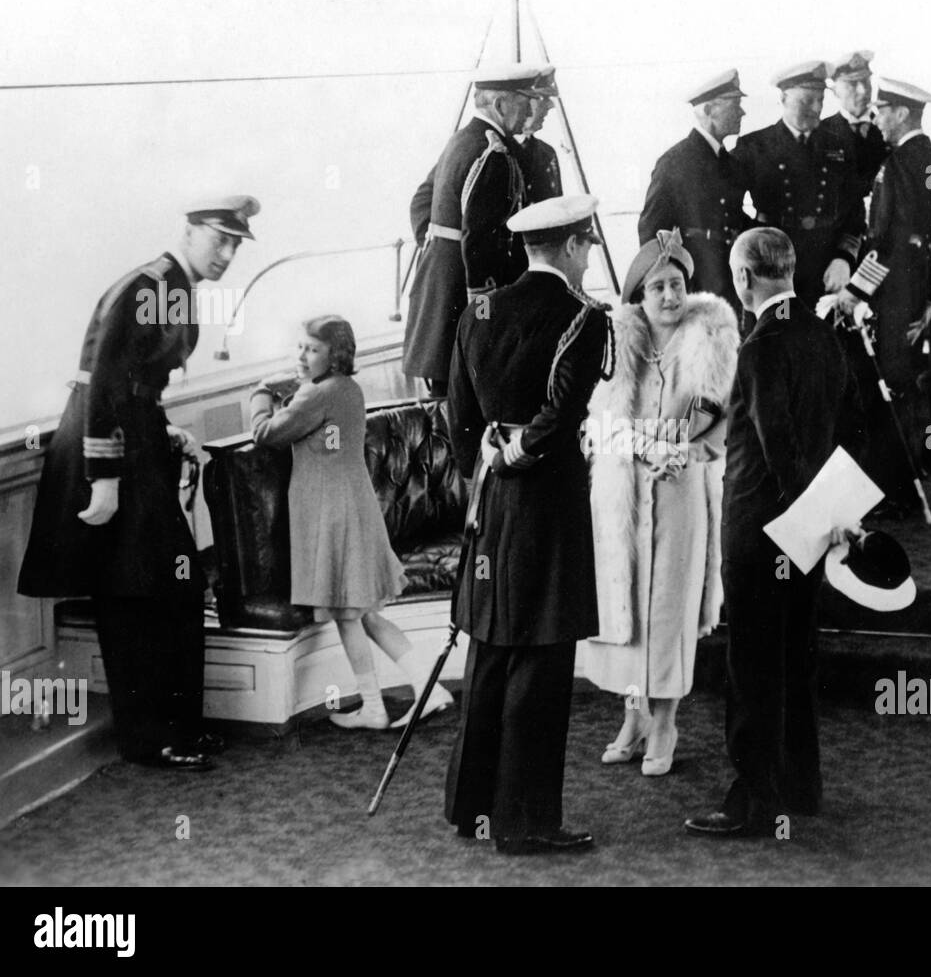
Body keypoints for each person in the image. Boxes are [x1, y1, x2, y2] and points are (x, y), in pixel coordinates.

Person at [17, 196, 261, 771]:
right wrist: (104, 480)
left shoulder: (175, 284)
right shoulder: (149, 285)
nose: (226, 253)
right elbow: (102, 386)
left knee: (166, 587)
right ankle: (151, 738)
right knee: (136, 594)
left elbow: (135, 384)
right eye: (218, 239)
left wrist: (164, 428)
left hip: (136, 437)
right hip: (107, 451)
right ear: (190, 230)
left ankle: (172, 728)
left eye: (235, 244)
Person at [444, 194, 614, 854]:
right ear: (571, 247)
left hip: (491, 498)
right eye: (588, 246)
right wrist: (520, 451)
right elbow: (564, 410)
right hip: (546, 498)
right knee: (541, 659)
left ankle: (472, 806)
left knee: (490, 645)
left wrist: (485, 456)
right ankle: (526, 820)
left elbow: (457, 411)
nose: (589, 257)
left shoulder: (476, 310)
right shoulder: (582, 317)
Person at [685, 227, 846, 837]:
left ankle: (754, 800)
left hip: (759, 532)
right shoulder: (825, 337)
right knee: (796, 660)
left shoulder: (759, 346)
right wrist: (828, 515)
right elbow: (846, 430)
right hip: (809, 531)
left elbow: (776, 448)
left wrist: (798, 507)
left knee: (752, 666)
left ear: (744, 279)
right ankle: (801, 787)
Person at [583, 229, 739, 777]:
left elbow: (711, 421)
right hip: (624, 489)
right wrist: (629, 443)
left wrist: (671, 445)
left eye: (676, 285)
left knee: (669, 605)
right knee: (625, 603)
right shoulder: (617, 343)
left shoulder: (710, 341)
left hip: (678, 488)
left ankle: (666, 720)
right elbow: (598, 424)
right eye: (657, 288)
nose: (670, 297)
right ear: (639, 296)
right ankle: (634, 715)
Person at [249, 316, 454, 730]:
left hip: (333, 514)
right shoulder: (346, 388)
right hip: (354, 508)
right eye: (301, 348)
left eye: (313, 349)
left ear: (336, 354)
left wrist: (260, 394)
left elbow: (265, 433)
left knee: (349, 614)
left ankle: (377, 706)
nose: (303, 356)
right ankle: (427, 686)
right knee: (367, 613)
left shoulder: (317, 396)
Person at [831, 77, 931, 518]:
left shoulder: (898, 166)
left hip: (892, 292)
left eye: (882, 109)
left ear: (902, 114)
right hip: (919, 290)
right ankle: (911, 472)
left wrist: (853, 292)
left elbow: (888, 242)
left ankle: (892, 486)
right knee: (906, 384)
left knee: (888, 384)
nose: (876, 117)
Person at [402, 64, 541, 397]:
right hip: (463, 302)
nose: (529, 110)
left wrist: (438, 245)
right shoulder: (492, 153)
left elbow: (422, 200)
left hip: (439, 292)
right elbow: (480, 244)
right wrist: (485, 320)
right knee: (465, 405)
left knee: (448, 400)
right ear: (500, 105)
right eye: (524, 101)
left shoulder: (463, 140)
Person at [732, 60, 866, 308]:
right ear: (783, 98)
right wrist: (755, 247)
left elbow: (855, 212)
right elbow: (727, 207)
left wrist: (844, 259)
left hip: (826, 268)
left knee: (824, 339)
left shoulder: (839, 146)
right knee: (779, 334)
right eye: (806, 101)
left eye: (820, 100)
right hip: (773, 268)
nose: (816, 108)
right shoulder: (755, 147)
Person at [638, 68, 752, 314]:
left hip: (732, 277)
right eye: (735, 104)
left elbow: (731, 216)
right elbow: (651, 231)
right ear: (709, 110)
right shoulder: (674, 163)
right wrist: (665, 290)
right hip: (697, 281)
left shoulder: (731, 163)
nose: (742, 111)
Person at [821, 50, 889, 207]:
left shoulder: (891, 129)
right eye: (852, 84)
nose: (862, 91)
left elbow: (930, 173)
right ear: (835, 91)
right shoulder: (820, 132)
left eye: (865, 82)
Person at [520, 65, 563, 203]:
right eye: (543, 98)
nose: (551, 105)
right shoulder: (492, 152)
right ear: (523, 101)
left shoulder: (547, 153)